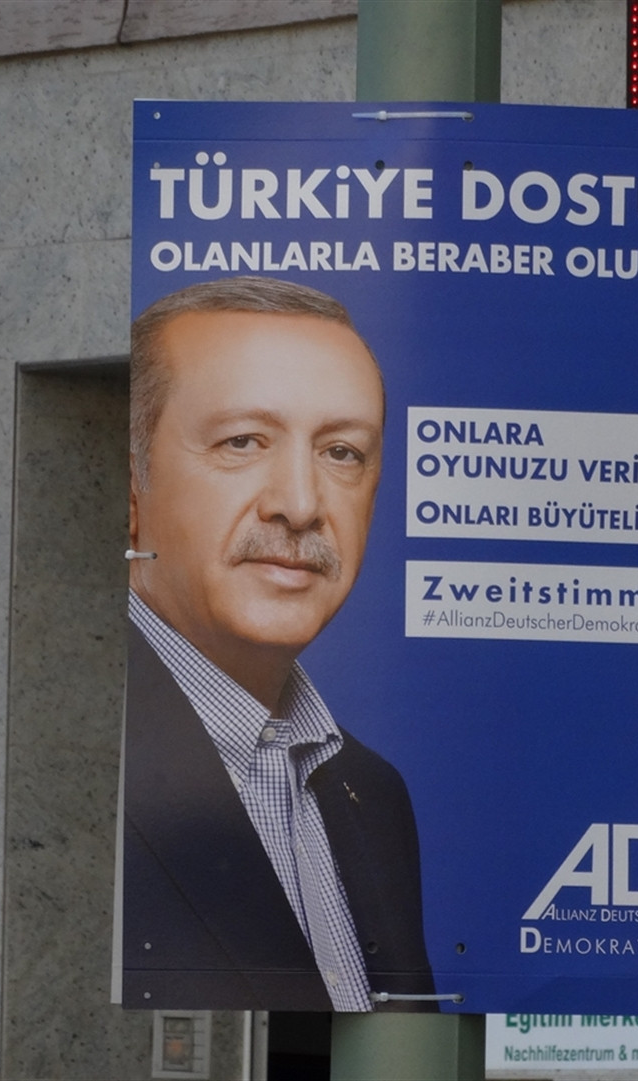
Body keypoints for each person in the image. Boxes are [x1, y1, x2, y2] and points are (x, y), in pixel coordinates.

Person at [121, 275, 434, 1012]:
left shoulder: (371, 793)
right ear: (129, 487)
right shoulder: (64, 757)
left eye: (342, 452)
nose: (299, 503)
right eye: (243, 441)